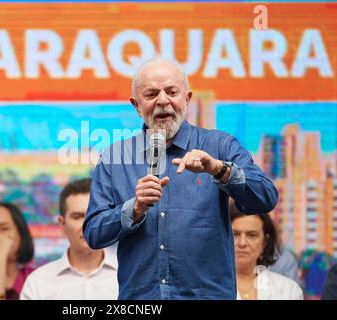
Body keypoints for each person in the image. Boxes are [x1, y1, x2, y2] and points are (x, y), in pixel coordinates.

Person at [83, 56, 278, 299]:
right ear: (136, 105)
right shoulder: (114, 157)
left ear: (187, 99)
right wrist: (134, 208)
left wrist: (220, 170)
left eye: (172, 92)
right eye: (151, 94)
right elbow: (93, 233)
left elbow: (266, 198)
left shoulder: (219, 145)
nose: (162, 101)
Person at [21, 178, 118, 300]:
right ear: (62, 224)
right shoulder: (38, 283)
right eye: (77, 217)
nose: (87, 225)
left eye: (95, 215)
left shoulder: (129, 276)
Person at [230, 203, 303, 300]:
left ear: (265, 242)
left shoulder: (288, 290)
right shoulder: (205, 288)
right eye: (235, 234)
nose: (242, 243)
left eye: (252, 235)